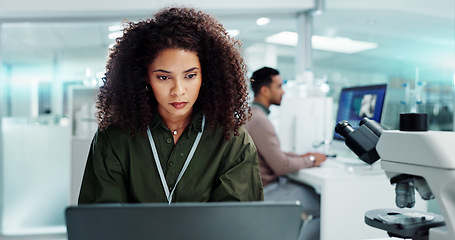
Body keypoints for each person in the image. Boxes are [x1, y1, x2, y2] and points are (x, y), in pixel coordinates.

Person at [78, 7, 264, 204]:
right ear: (145, 77)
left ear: (205, 76)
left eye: (190, 75)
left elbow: (238, 225)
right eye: (164, 77)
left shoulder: (232, 141)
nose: (178, 90)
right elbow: (101, 223)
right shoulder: (114, 138)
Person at [244, 67, 327, 240]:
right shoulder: (260, 120)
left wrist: (302, 157)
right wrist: (311, 160)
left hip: (258, 187)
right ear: (265, 90)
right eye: (279, 86)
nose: (283, 92)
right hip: (267, 190)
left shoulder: (251, 114)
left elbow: (273, 153)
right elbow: (281, 165)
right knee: (325, 208)